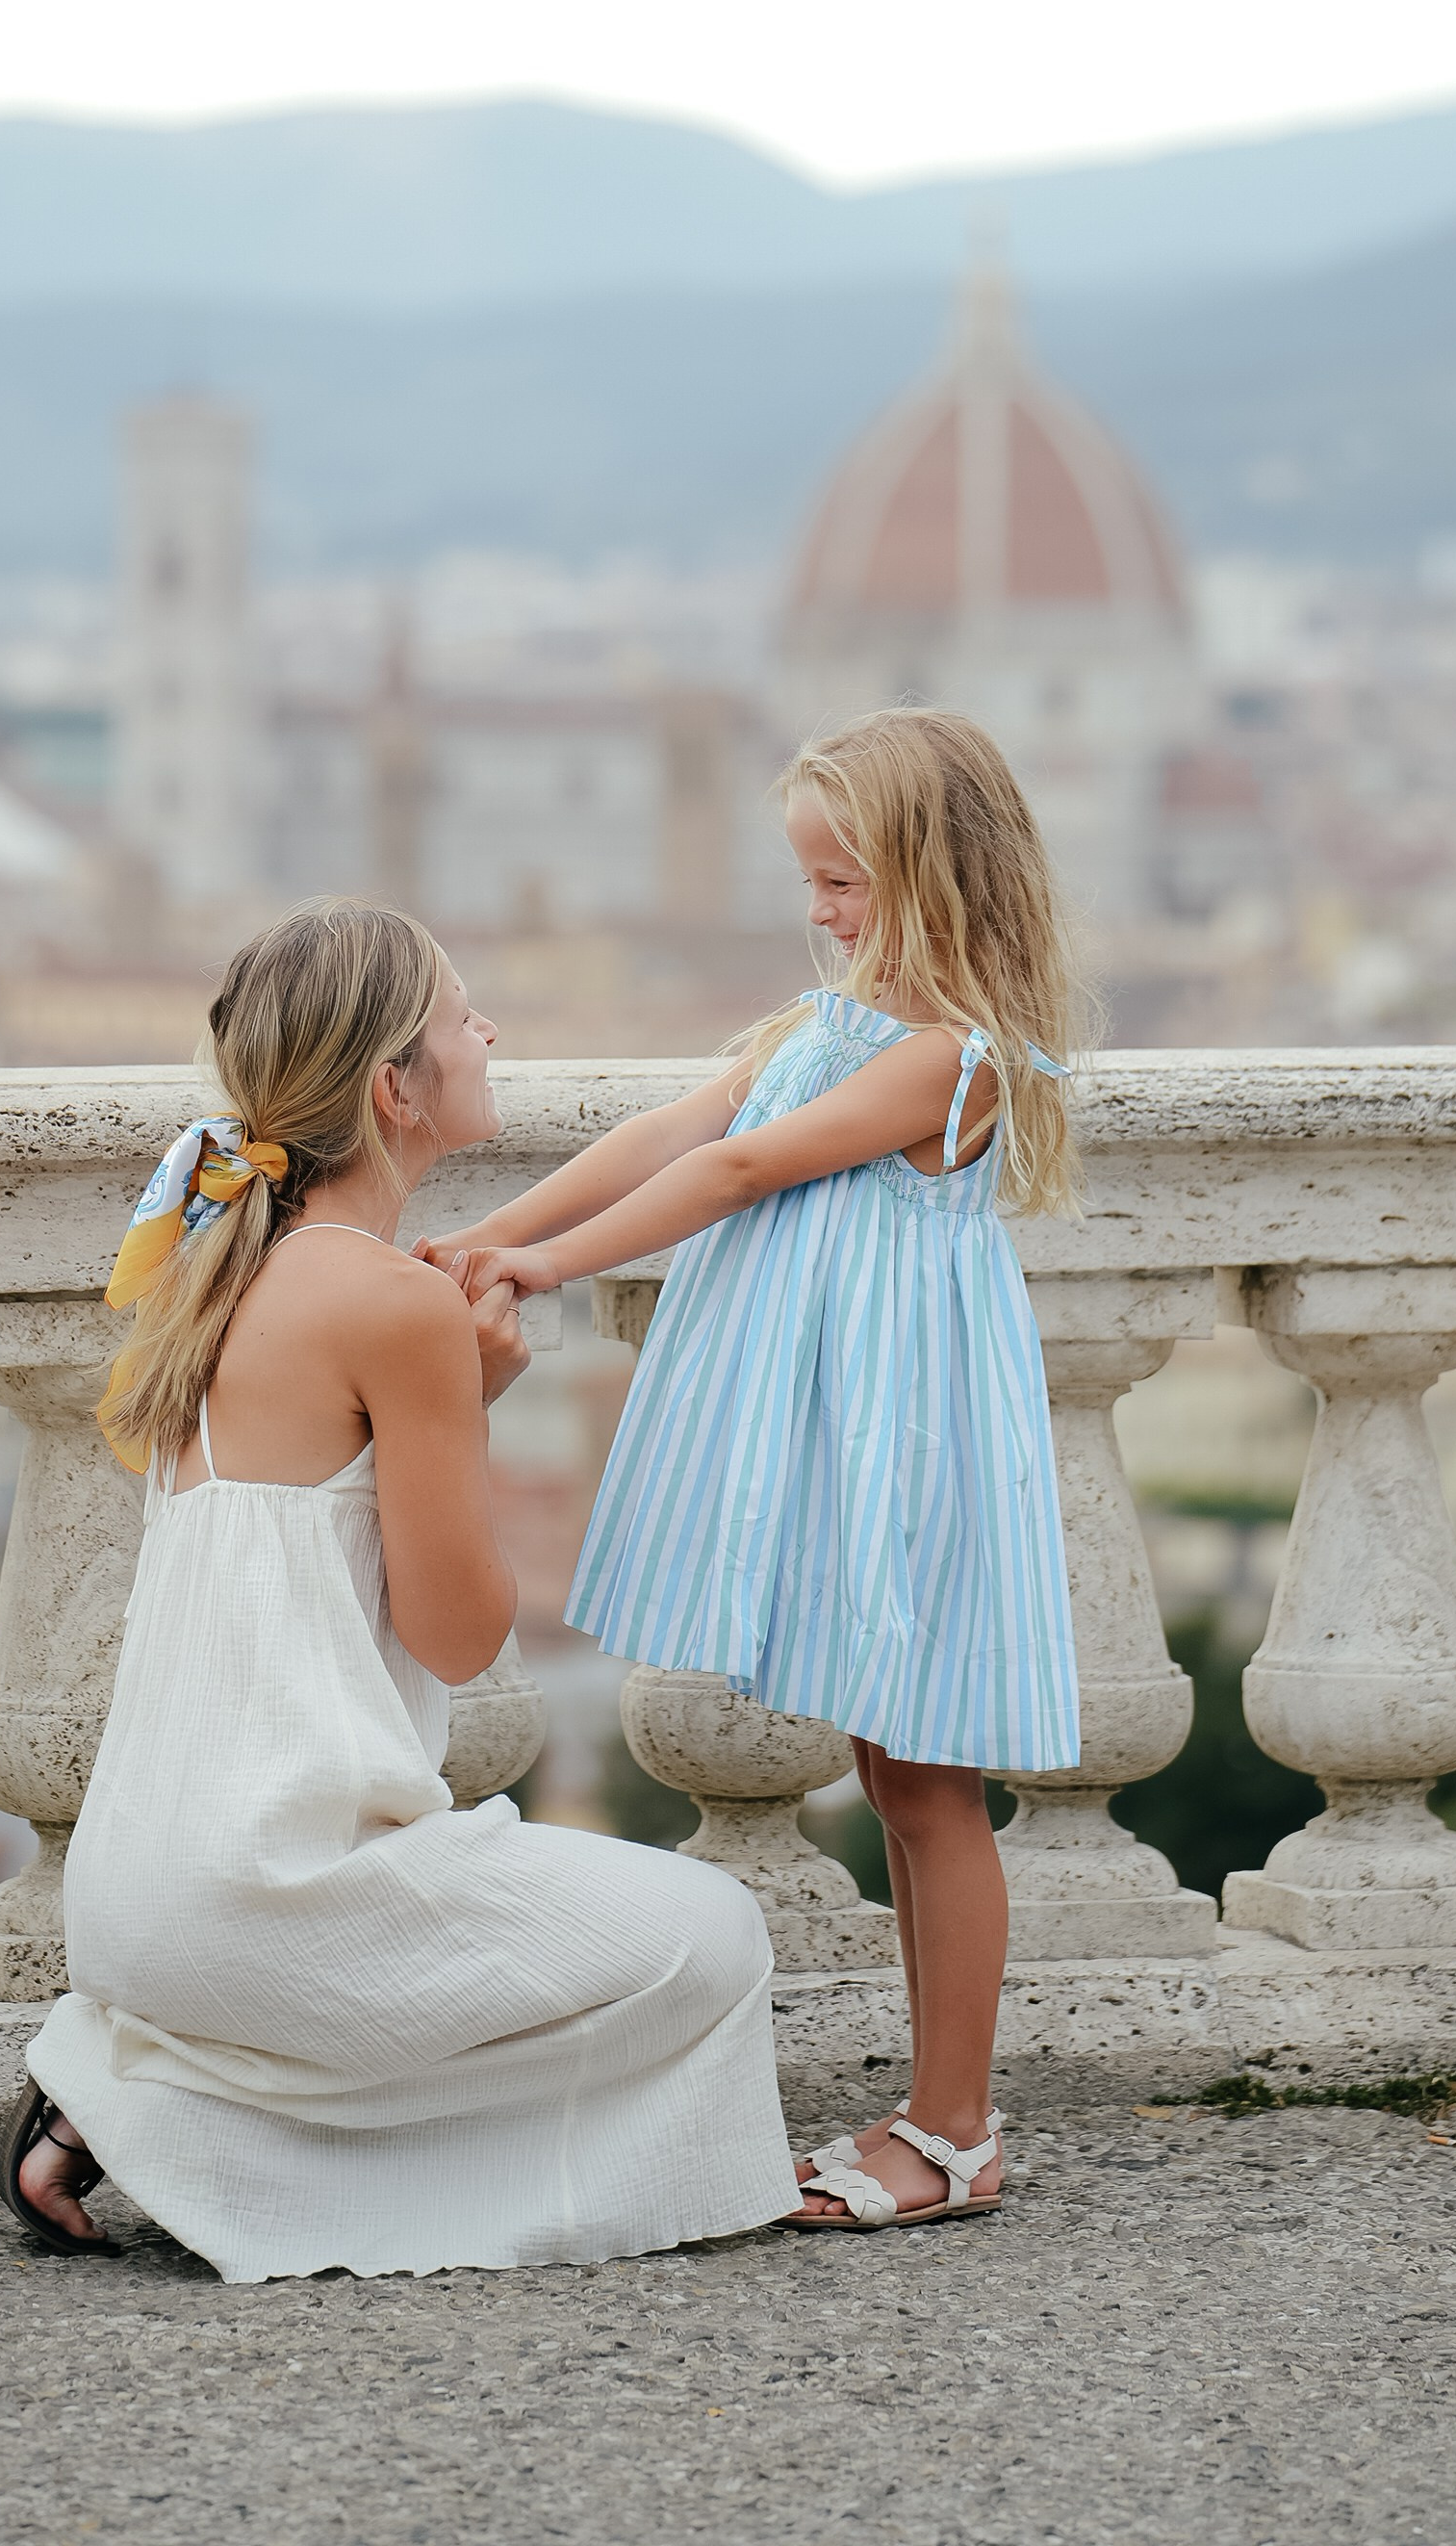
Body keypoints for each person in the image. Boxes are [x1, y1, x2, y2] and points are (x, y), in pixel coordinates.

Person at [0, 898, 801, 2281]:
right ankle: (171, 2108)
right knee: (715, 1938)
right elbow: (463, 1630)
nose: (490, 1032)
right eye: (461, 1016)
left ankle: (137, 2087)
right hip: (275, 1899)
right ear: (394, 1087)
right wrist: (470, 1410)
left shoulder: (221, 1266)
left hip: (130, 1910)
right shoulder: (399, 1309)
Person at [433, 707, 1083, 2231]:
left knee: (928, 1780)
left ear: (935, 876)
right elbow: (675, 1125)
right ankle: (941, 2117)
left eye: (846, 884)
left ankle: (957, 2129)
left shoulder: (952, 1058)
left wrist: (534, 1265)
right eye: (811, 881)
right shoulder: (831, 1022)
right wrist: (492, 1235)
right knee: (895, 1767)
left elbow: (729, 1170)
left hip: (905, 1436)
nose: (821, 912)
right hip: (860, 1424)